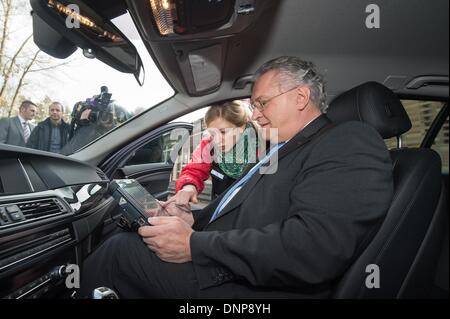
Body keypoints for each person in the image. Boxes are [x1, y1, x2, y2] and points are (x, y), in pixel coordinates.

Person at [78, 56, 394, 298]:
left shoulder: (348, 140)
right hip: (228, 260)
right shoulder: (283, 147)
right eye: (252, 105)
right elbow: (248, 209)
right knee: (130, 238)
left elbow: (314, 247)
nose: (255, 114)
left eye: (262, 103)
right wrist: (191, 221)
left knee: (119, 252)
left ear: (300, 97)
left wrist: (194, 246)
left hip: (255, 289)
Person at [172, 101, 259, 206]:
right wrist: (189, 186)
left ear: (242, 127)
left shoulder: (264, 145)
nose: (217, 140)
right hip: (220, 209)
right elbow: (194, 169)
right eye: (213, 133)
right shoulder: (208, 146)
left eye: (223, 132)